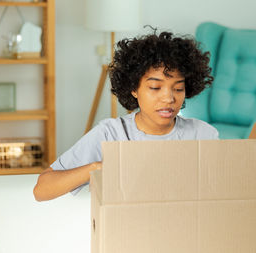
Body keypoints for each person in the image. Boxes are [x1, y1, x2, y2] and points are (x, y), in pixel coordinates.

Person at [33, 30, 218, 201]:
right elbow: (42, 190)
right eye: (155, 87)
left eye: (178, 88)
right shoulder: (111, 134)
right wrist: (95, 168)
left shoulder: (202, 135)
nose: (169, 98)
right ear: (133, 89)